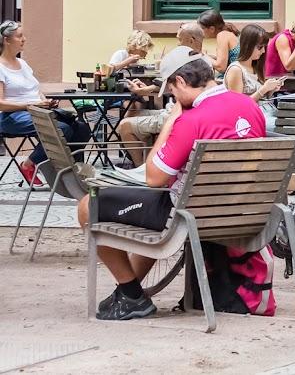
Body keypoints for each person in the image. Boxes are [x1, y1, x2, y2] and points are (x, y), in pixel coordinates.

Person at [77, 56, 267, 321]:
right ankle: (130, 293)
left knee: (88, 205)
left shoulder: (192, 119)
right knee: (150, 208)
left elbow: (154, 177)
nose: (172, 97)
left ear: (181, 81)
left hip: (187, 215)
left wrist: (170, 123)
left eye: (172, 91)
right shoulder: (248, 105)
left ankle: (131, 294)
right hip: (240, 211)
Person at [0, 20, 92, 187]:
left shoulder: (23, 64)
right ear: (7, 40)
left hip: (36, 111)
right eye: (20, 36)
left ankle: (69, 171)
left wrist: (45, 101)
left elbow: (35, 90)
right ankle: (28, 164)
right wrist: (29, 105)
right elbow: (1, 104)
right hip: (12, 117)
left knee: (81, 128)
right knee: (61, 129)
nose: (24, 39)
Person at [117, 24, 213, 165]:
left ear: (191, 41)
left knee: (125, 125)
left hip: (177, 115)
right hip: (176, 112)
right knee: (135, 114)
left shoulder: (190, 62)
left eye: (180, 40)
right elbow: (174, 88)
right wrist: (145, 90)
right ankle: (151, 162)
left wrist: (147, 90)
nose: (178, 44)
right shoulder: (203, 61)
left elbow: (182, 94)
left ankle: (141, 170)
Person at [224, 23, 285, 126]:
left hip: (267, 112)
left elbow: (261, 98)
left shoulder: (256, 67)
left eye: (264, 47)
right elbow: (238, 106)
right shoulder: (236, 70)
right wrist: (263, 89)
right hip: (251, 119)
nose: (263, 51)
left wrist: (271, 89)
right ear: (248, 45)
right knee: (288, 127)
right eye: (260, 47)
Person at [198, 9, 240, 74]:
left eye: (202, 28)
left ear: (212, 29)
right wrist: (209, 56)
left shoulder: (222, 35)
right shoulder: (227, 33)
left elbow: (221, 67)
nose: (200, 31)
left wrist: (203, 56)